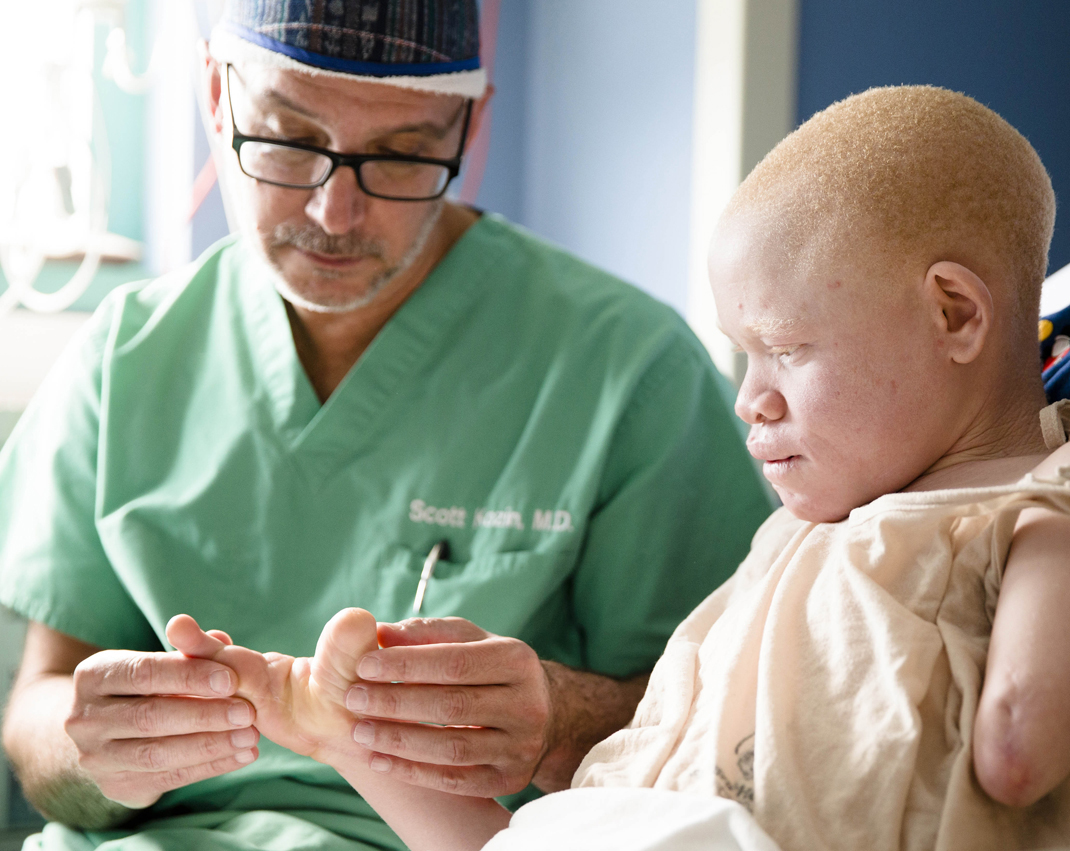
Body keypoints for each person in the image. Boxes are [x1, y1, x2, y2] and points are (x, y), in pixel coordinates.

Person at [156, 85, 1070, 851]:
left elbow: (1019, 748)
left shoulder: (1057, 505)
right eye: (744, 353)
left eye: (788, 349)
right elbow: (635, 768)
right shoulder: (797, 537)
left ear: (953, 313)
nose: (749, 395)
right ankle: (344, 732)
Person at [0, 2, 773, 849]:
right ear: (216, 95)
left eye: (401, 156)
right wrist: (92, 748)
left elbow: (734, 726)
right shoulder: (124, 360)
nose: (335, 212)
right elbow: (39, 709)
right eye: (290, 143)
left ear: (469, 131)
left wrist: (556, 720)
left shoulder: (625, 368)